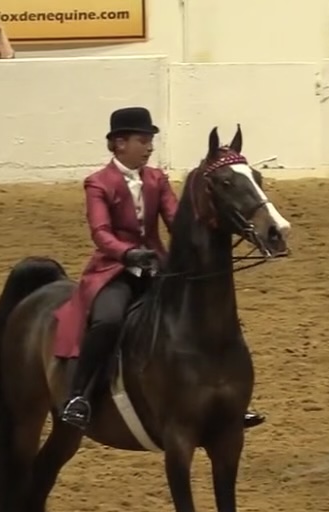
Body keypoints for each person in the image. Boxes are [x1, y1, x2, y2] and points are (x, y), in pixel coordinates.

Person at [57, 107, 266, 431]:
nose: (150, 147)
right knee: (108, 321)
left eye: (151, 140)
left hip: (159, 267)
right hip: (116, 270)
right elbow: (101, 233)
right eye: (143, 140)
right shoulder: (98, 183)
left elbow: (176, 219)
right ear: (119, 143)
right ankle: (79, 396)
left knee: (208, 315)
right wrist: (129, 254)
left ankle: (227, 395)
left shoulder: (157, 179)